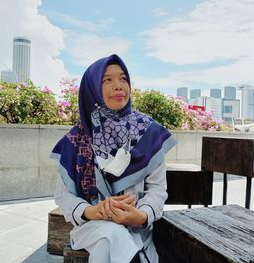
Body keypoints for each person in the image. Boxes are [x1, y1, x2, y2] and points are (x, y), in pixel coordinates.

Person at [51, 54, 176, 263]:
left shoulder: (149, 133)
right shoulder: (77, 139)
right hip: (92, 226)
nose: (118, 86)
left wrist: (141, 215)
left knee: (109, 240)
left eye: (123, 79)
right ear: (92, 88)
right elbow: (64, 196)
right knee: (110, 233)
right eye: (107, 80)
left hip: (136, 230)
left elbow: (157, 189)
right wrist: (94, 211)